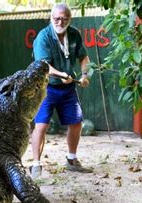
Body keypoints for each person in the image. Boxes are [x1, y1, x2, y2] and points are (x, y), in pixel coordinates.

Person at [29, 3, 92, 179]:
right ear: (51, 18)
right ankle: (35, 164)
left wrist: (85, 74)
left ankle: (72, 160)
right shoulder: (43, 37)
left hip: (68, 87)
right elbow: (43, 65)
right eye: (56, 18)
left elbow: (84, 56)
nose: (60, 21)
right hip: (46, 88)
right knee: (41, 125)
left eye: (64, 19)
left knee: (76, 122)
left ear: (69, 19)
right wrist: (60, 74)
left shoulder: (74, 34)